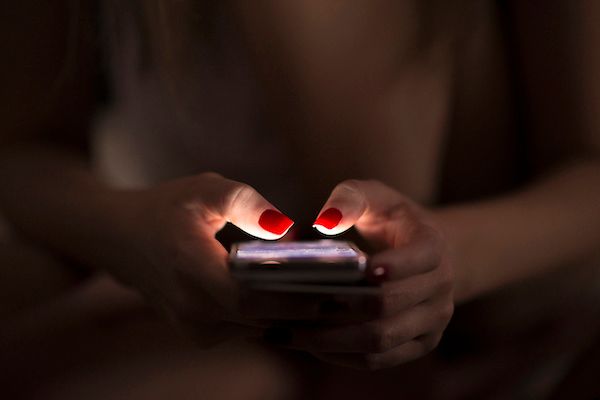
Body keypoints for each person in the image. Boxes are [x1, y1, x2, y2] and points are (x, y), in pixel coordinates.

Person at [1, 1, 600, 398]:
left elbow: (588, 177)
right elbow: (27, 152)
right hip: (214, 315)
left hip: (494, 322)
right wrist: (129, 231)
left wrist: (440, 262)